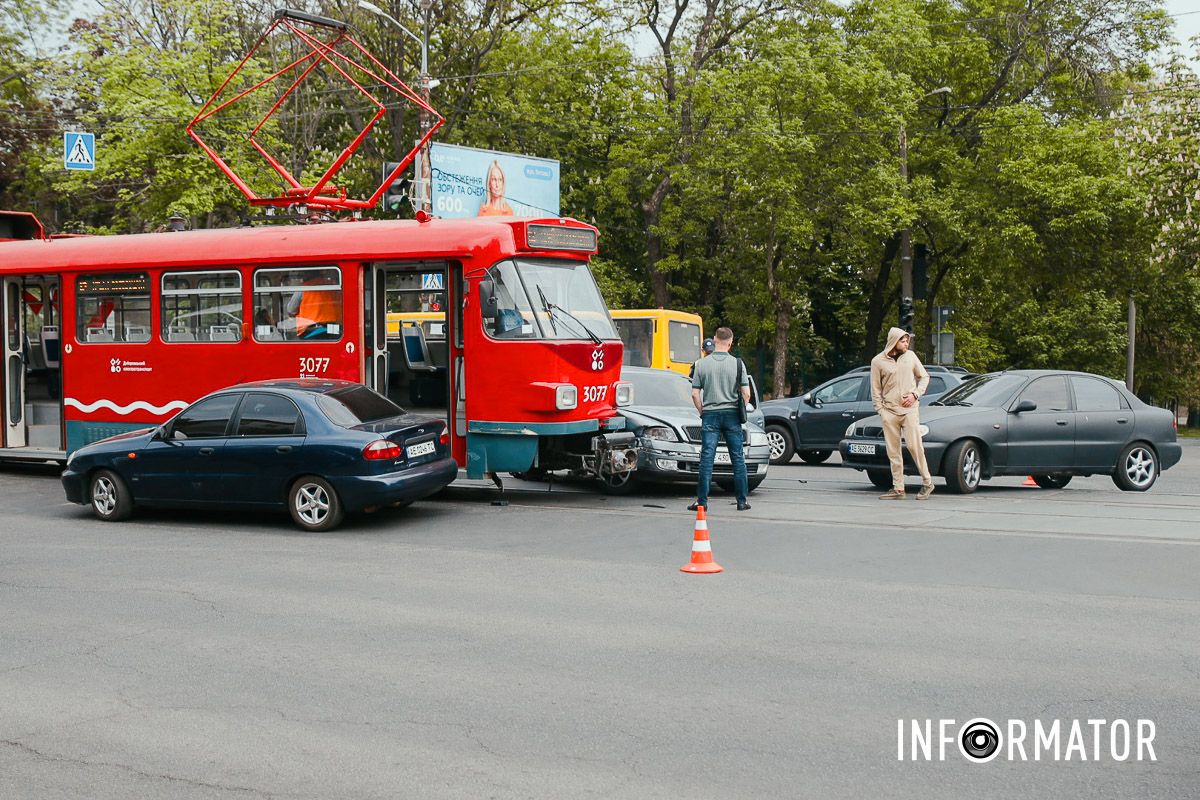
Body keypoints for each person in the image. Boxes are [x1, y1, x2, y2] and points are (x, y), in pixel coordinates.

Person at [689, 327, 751, 511]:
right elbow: (746, 394)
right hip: (732, 415)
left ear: (715, 340)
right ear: (731, 342)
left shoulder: (701, 364)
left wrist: (702, 411)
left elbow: (694, 394)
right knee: (737, 458)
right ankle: (742, 501)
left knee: (707, 458)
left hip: (710, 415)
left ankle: (702, 502)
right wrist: (739, 406)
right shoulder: (738, 364)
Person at [870, 327, 934, 500]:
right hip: (889, 412)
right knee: (893, 451)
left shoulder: (911, 356)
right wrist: (881, 411)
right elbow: (875, 390)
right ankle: (898, 489)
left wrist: (915, 395)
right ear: (894, 341)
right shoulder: (877, 361)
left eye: (907, 341)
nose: (906, 344)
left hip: (909, 410)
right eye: (903, 341)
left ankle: (927, 482)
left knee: (915, 446)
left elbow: (925, 377)